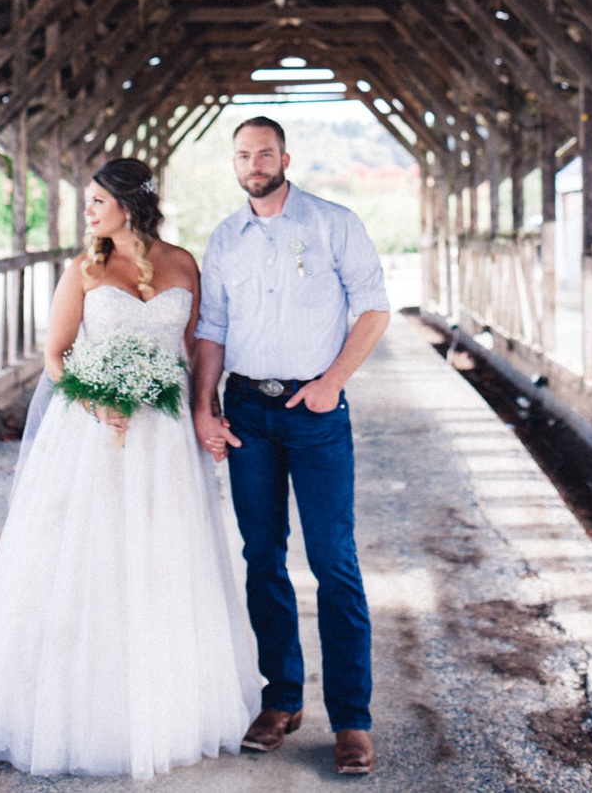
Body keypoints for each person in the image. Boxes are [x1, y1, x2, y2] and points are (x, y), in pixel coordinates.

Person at [0, 158, 260, 779]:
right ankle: (74, 708)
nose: (88, 211)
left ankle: (167, 706)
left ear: (130, 203)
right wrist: (94, 399)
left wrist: (204, 413)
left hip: (164, 440)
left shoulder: (182, 264)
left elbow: (193, 351)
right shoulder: (83, 268)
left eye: (96, 200)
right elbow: (55, 356)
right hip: (93, 433)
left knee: (165, 559)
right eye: (86, 201)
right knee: (88, 560)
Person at [193, 117, 390, 777]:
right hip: (248, 410)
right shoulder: (225, 239)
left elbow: (374, 309)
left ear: (285, 157)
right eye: (243, 155)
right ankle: (281, 700)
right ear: (236, 164)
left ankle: (352, 720)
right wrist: (205, 404)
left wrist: (333, 383)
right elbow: (212, 330)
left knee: (334, 561)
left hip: (316, 410)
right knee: (263, 557)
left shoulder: (334, 223)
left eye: (265, 152)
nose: (255, 163)